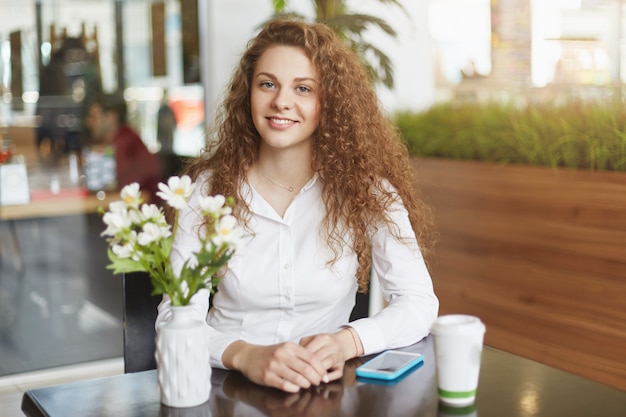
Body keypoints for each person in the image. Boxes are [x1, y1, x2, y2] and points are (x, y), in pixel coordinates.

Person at [156, 18, 439, 393]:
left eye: (303, 88)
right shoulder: (208, 190)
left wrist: (347, 341)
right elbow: (175, 317)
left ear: (330, 104)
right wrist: (245, 355)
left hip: (324, 391)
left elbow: (418, 302)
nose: (281, 101)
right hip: (223, 390)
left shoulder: (366, 190)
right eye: (268, 84)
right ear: (249, 93)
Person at [85, 92, 161, 201]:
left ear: (111, 117)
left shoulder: (126, 145)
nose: (89, 122)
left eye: (93, 117)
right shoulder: (109, 143)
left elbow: (104, 187)